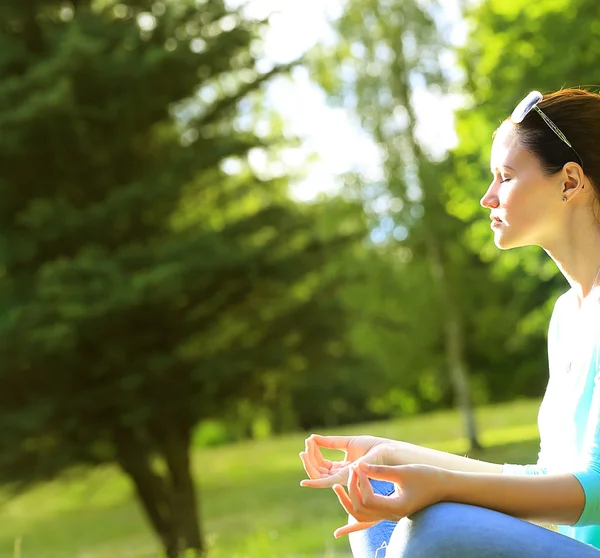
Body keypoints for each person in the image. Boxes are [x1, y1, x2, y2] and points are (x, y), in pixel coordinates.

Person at [299, 88, 600, 557]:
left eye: (505, 177)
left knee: (436, 529)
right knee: (377, 493)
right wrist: (391, 455)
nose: (488, 197)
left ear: (569, 182)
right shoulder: (567, 315)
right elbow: (547, 480)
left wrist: (442, 486)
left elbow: (594, 493)